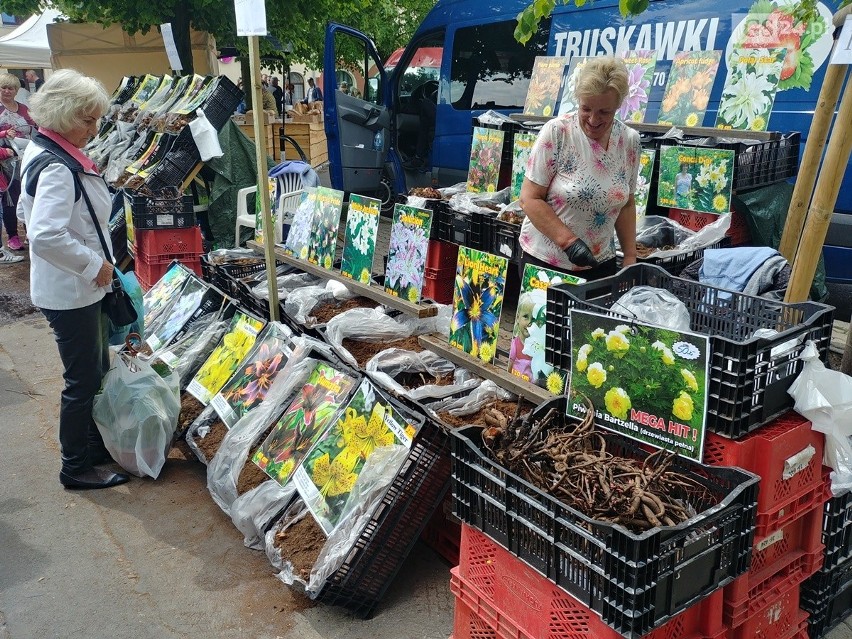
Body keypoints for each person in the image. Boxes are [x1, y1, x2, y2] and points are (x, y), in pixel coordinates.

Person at [17, 69, 129, 490]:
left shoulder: (46, 148)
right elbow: (45, 234)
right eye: (88, 119)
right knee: (82, 379)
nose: (95, 128)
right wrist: (93, 265)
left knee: (92, 372)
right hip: (71, 292)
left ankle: (91, 449)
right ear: (65, 117)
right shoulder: (58, 166)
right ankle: (76, 466)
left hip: (71, 287)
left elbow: (34, 218)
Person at [518, 55, 640, 281]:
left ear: (618, 106)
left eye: (605, 112)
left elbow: (627, 204)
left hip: (601, 263)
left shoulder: (629, 141)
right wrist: (569, 243)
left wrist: (630, 256)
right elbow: (529, 199)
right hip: (547, 262)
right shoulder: (557, 133)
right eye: (586, 108)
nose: (593, 119)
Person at [0, 72, 37, 258]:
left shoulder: (23, 109)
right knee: (11, 199)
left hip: (26, 157)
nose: (7, 91)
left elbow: (35, 128)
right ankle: (13, 236)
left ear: (16, 90)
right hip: (4, 162)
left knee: (29, 195)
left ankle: (30, 232)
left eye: (11, 88)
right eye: (3, 87)